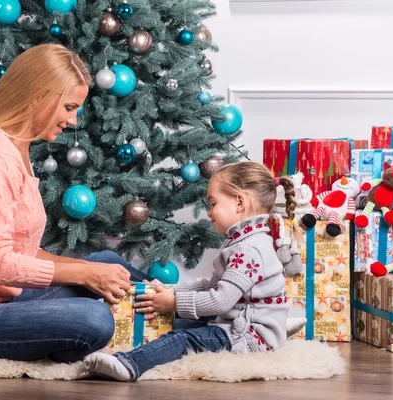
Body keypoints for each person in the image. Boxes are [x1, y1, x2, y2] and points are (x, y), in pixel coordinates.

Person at [0, 44, 147, 363]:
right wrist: (84, 276)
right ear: (39, 96)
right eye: (69, 107)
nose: (73, 121)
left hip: (1, 299)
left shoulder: (14, 149)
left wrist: (92, 271)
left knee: (104, 261)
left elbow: (21, 252)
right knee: (93, 319)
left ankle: (178, 309)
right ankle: (183, 325)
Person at [84, 161, 298, 381]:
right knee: (178, 321)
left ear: (239, 203)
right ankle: (275, 326)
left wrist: (175, 302)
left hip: (246, 335)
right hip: (234, 320)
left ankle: (129, 364)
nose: (208, 211)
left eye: (213, 203)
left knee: (183, 338)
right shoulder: (241, 241)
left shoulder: (248, 249)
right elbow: (212, 285)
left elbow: (220, 301)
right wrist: (173, 292)